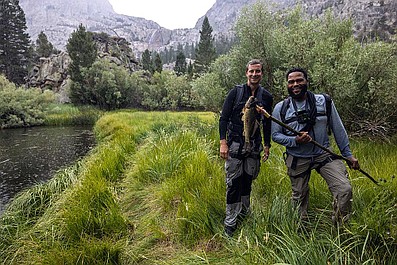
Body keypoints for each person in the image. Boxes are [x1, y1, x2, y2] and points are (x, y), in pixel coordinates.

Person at [270, 67, 359, 225]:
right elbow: (275, 135)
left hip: (323, 154)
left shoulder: (324, 101)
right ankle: (301, 229)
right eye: (291, 82)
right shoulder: (280, 108)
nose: (295, 84)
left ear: (307, 82)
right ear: (287, 85)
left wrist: (348, 154)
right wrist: (295, 140)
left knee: (344, 189)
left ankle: (341, 229)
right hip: (297, 157)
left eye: (299, 80)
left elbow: (338, 129)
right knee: (299, 198)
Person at [219, 59, 273, 236]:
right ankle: (230, 222)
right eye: (251, 71)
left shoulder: (266, 97)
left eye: (258, 71)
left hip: (254, 147)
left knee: (247, 181)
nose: (254, 74)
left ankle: (244, 213)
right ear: (246, 73)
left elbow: (267, 123)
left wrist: (266, 145)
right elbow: (224, 119)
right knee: (234, 183)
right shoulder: (235, 92)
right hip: (234, 145)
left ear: (262, 74)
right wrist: (223, 143)